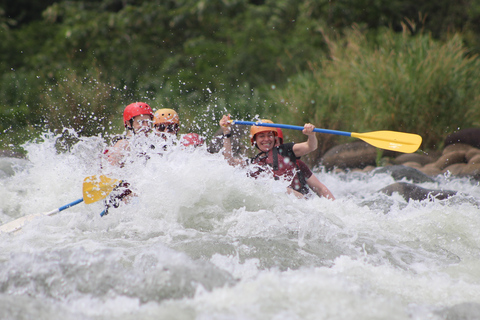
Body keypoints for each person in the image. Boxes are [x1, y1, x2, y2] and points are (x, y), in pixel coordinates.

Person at [219, 115, 334, 200]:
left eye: (270, 135)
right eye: (261, 136)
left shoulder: (286, 151)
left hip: (301, 205)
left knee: (276, 187)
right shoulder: (253, 163)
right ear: (254, 141)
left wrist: (311, 135)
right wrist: (226, 133)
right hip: (277, 211)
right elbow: (229, 161)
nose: (266, 139)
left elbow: (310, 146)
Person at [101, 102, 155, 215]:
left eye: (148, 122)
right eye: (140, 122)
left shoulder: (152, 146)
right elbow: (109, 173)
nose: (146, 126)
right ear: (129, 124)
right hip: (121, 203)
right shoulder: (123, 145)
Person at [275, 128, 335, 200]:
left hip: (303, 205)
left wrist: (336, 206)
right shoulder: (259, 166)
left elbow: (320, 189)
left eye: (275, 142)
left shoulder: (297, 164)